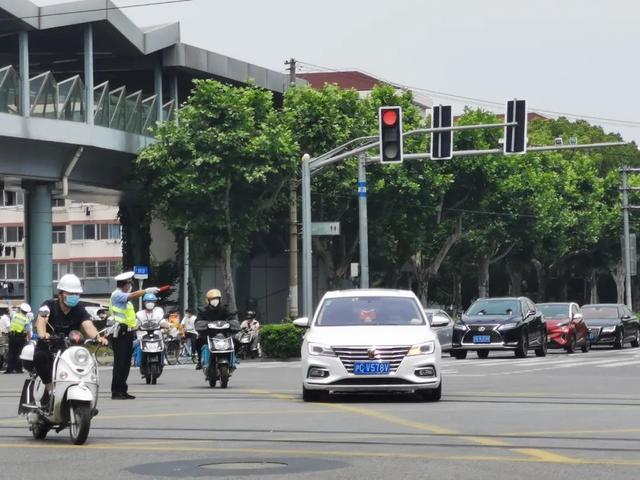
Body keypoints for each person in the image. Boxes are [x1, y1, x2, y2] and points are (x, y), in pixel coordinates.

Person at [34, 274, 108, 407]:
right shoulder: (49, 305)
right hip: (48, 345)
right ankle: (51, 390)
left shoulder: (79, 309)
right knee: (40, 357)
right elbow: (41, 320)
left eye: (77, 293)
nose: (74, 296)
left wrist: (97, 337)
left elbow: (87, 325)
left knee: (84, 361)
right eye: (71, 293)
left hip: (69, 348)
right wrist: (43, 334)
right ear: (61, 293)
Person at [109, 271, 160, 400]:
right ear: (124, 285)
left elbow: (130, 316)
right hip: (119, 333)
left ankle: (123, 390)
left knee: (126, 364)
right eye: (129, 284)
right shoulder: (117, 295)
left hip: (128, 333)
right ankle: (116, 391)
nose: (130, 286)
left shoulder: (127, 302)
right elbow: (132, 295)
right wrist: (145, 291)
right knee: (120, 363)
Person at [194, 289, 237, 370]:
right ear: (208, 300)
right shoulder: (203, 311)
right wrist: (202, 324)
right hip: (208, 334)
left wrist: (232, 322)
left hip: (224, 335)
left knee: (236, 341)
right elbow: (198, 321)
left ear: (220, 299)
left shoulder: (225, 309)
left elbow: (231, 317)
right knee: (198, 341)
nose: (215, 301)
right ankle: (199, 361)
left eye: (217, 299)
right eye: (213, 299)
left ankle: (233, 359)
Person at [134, 292, 170, 369]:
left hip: (156, 336)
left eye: (152, 301)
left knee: (163, 344)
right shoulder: (139, 314)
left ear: (155, 303)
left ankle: (163, 359)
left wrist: (166, 325)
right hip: (142, 336)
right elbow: (135, 323)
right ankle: (135, 361)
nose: (150, 303)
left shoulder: (158, 313)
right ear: (144, 303)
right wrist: (134, 327)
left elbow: (162, 321)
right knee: (133, 346)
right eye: (148, 301)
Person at [5, 303, 31, 374]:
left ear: (21, 309)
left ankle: (9, 369)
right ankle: (18, 369)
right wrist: (29, 338)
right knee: (19, 353)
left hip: (12, 336)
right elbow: (28, 330)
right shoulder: (26, 319)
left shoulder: (15, 315)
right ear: (27, 312)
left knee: (11, 352)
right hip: (20, 337)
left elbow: (10, 312)